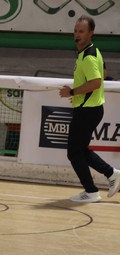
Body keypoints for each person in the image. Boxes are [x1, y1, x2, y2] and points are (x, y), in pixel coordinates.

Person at [58, 15, 119, 203]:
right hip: (89, 108)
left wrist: (74, 92)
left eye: (81, 31)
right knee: (80, 150)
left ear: (91, 33)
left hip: (88, 110)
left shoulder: (89, 56)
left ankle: (91, 191)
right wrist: (80, 96)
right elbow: (104, 73)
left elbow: (96, 81)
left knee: (74, 152)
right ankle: (112, 174)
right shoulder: (91, 52)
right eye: (76, 31)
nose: (77, 35)